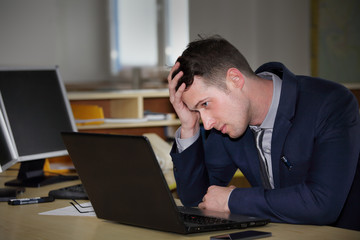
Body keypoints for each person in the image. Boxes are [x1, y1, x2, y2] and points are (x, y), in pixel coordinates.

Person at [167, 35, 360, 230]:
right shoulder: (226, 126)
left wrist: (233, 200)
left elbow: (322, 204)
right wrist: (189, 127)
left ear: (235, 80)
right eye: (197, 110)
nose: (207, 124)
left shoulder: (331, 103)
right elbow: (198, 200)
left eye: (205, 104)